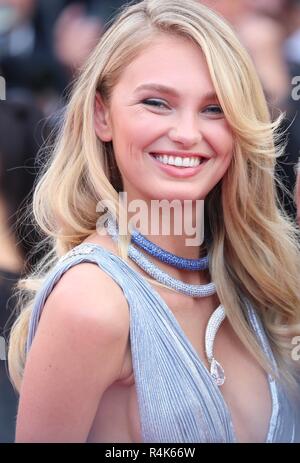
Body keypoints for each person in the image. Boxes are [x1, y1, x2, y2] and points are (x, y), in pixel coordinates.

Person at [8, 0, 300, 443]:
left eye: (214, 108)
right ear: (102, 115)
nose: (187, 132)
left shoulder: (257, 281)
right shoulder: (91, 304)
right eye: (157, 103)